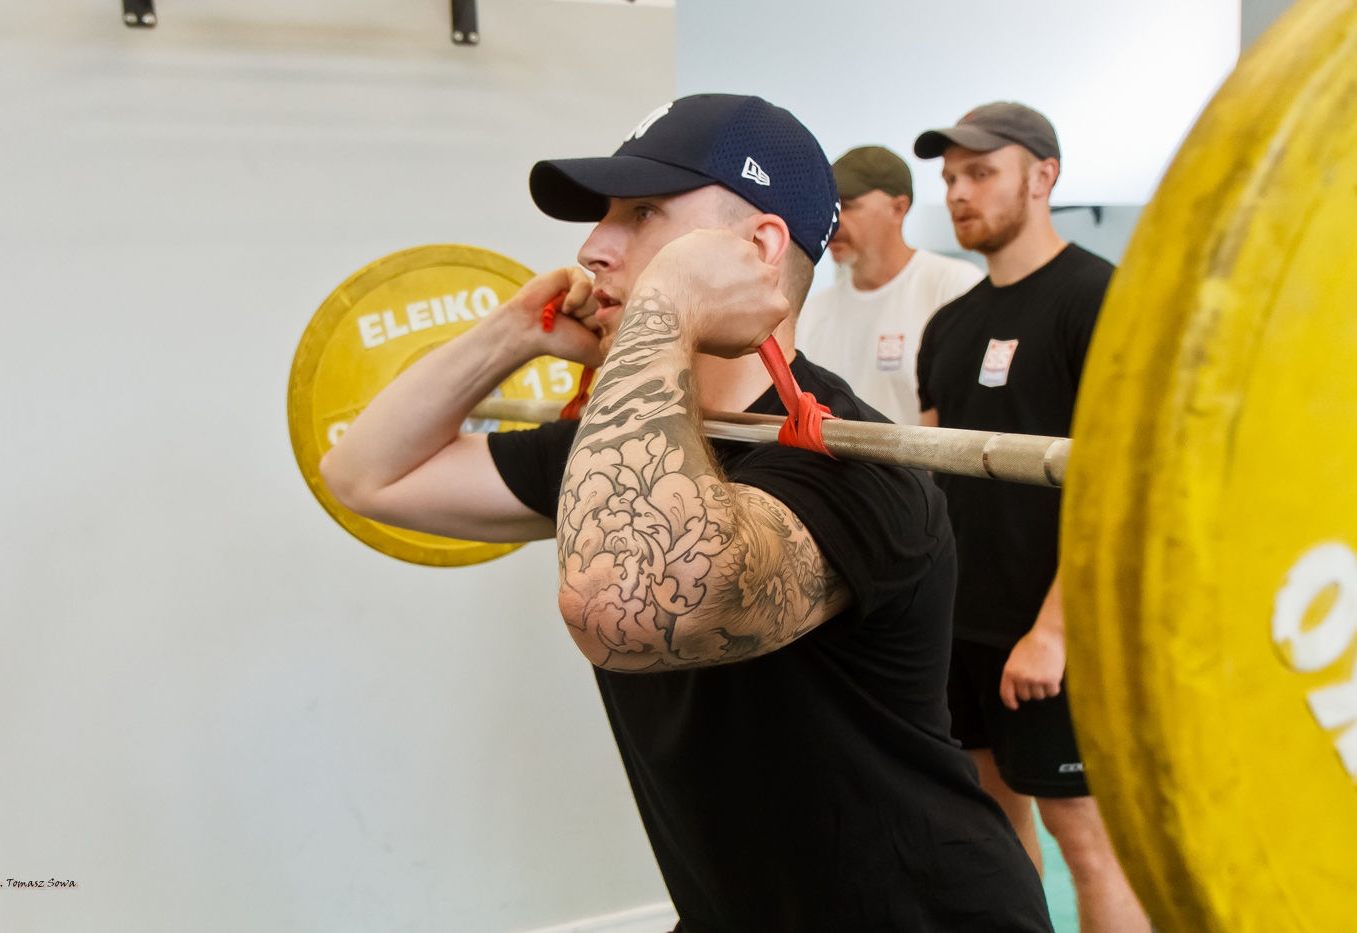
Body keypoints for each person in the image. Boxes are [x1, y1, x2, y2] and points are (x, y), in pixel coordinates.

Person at [321, 94, 1052, 932]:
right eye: (602, 216)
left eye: (641, 214)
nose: (594, 247)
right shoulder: (617, 448)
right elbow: (365, 474)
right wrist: (513, 332)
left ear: (759, 247)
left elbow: (629, 609)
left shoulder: (854, 472)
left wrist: (666, 306)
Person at [913, 102, 1150, 932]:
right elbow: (929, 478)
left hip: (1054, 630)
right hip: (962, 628)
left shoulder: (1100, 300)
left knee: (1087, 841)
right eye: (949, 178)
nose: (958, 192)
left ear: (1043, 176)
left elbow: (1120, 488)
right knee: (992, 831)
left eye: (980, 172)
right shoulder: (949, 324)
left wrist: (1053, 630)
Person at [797, 146, 981, 424]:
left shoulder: (954, 287)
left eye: (846, 206)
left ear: (898, 208)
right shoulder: (813, 311)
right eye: (828, 207)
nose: (831, 221)